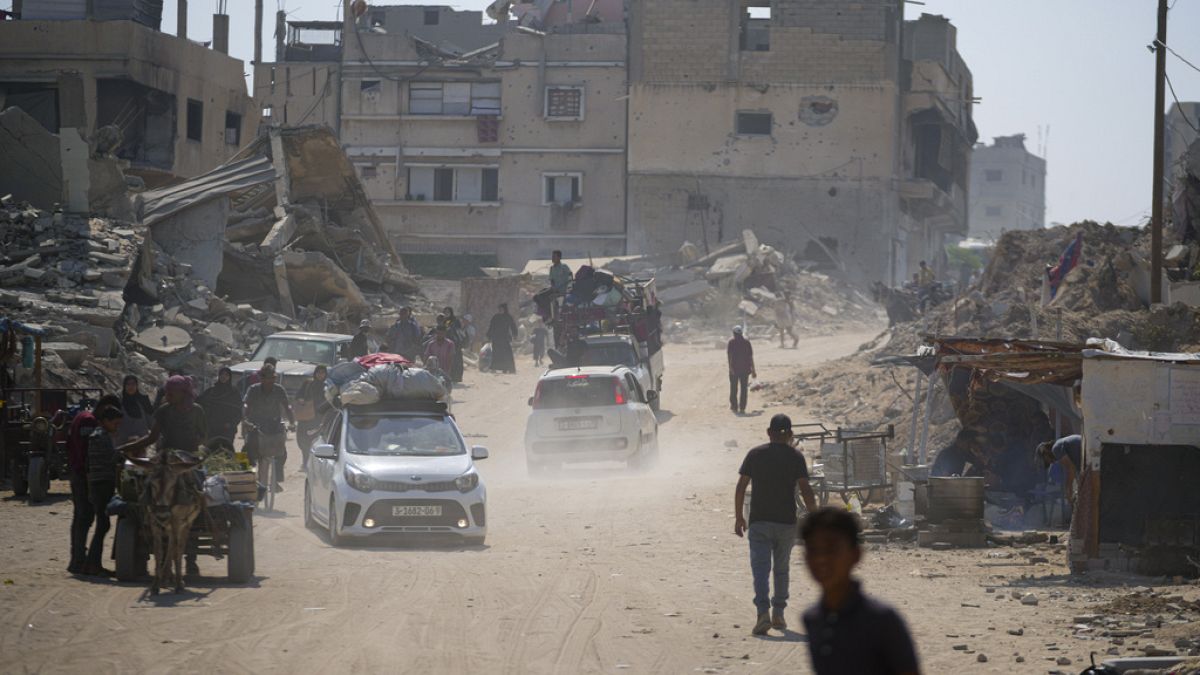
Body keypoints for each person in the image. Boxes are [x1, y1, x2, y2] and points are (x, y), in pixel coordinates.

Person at [801, 507, 921, 675]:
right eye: (813, 550)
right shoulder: (812, 619)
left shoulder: (882, 620)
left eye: (831, 549)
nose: (821, 559)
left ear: (855, 555)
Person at [734, 414, 818, 635]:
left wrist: (738, 517)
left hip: (759, 521)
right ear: (790, 435)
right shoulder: (796, 457)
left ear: (769, 432)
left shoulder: (755, 454)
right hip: (786, 523)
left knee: (760, 570)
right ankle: (778, 614)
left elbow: (741, 486)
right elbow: (806, 490)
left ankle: (763, 613)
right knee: (781, 570)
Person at [67, 394, 121, 574]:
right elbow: (90, 453)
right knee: (85, 518)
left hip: (84, 475)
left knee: (83, 518)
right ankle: (82, 562)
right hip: (87, 477)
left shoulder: (86, 419)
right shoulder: (90, 423)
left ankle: (80, 560)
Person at [83, 406, 127, 576]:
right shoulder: (100, 436)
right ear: (106, 421)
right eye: (115, 424)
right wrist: (129, 454)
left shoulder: (99, 435)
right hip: (101, 484)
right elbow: (112, 457)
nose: (117, 427)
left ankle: (91, 564)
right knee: (103, 524)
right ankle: (93, 565)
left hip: (98, 483)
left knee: (103, 524)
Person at [243, 364, 295, 492]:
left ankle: (275, 480)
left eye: (272, 378)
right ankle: (248, 478)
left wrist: (292, 422)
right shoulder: (253, 389)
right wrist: (245, 420)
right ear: (261, 378)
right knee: (247, 450)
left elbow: (287, 406)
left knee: (282, 453)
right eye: (266, 378)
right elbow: (245, 405)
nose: (269, 381)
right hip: (256, 425)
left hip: (274, 426)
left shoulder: (279, 390)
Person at [296, 365, 331, 467]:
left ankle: (315, 464)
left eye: (322, 373)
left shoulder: (328, 386)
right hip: (307, 417)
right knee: (303, 441)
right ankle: (306, 462)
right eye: (318, 372)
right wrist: (301, 399)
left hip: (320, 418)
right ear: (315, 373)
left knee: (318, 441)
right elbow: (298, 395)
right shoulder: (308, 383)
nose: (320, 375)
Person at [198, 367, 243, 443]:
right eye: (222, 374)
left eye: (226, 375)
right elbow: (200, 404)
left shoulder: (234, 393)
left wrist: (231, 423)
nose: (224, 376)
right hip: (212, 429)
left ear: (230, 377)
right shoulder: (211, 391)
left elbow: (238, 411)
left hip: (227, 430)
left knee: (226, 451)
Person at [1036, 434, 1082, 506]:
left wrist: (1068, 490)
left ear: (1046, 452)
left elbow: (1071, 469)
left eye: (1046, 460)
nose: (1050, 462)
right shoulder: (1059, 445)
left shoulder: (1056, 449)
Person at [116, 375, 154, 446]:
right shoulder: (118, 402)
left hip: (141, 441)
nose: (131, 387)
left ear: (137, 385)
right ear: (124, 386)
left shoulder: (143, 400)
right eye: (128, 384)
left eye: (133, 384)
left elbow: (151, 421)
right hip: (124, 442)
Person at [727, 325, 756, 414]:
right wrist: (753, 370)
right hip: (745, 369)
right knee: (744, 389)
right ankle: (742, 407)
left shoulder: (731, 342)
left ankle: (734, 406)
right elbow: (750, 357)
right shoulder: (746, 342)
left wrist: (730, 368)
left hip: (735, 369)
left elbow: (729, 356)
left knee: (733, 388)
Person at [487, 303, 519, 374]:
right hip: (496, 338)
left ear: (505, 309)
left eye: (501, 309)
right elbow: (491, 327)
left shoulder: (508, 317)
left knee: (507, 354)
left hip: (505, 338)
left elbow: (513, 326)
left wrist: (515, 334)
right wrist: (489, 335)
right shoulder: (495, 317)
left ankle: (508, 369)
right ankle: (494, 368)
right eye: (499, 309)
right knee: (496, 353)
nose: (500, 310)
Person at [442, 307, 466, 383]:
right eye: (445, 312)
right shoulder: (444, 321)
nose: (446, 314)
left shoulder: (455, 320)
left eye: (448, 312)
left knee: (456, 361)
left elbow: (459, 331)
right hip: (445, 343)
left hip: (455, 343)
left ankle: (456, 378)